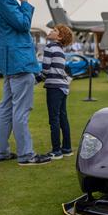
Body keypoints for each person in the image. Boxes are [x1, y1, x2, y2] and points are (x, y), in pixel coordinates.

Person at [0, 0, 51, 166]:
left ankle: (0, 152)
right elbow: (23, 24)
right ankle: (26, 155)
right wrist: (24, 1)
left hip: (9, 61)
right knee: (21, 110)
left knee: (6, 108)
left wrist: (6, 46)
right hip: (19, 61)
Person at [41, 25, 74, 160]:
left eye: (54, 30)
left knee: (54, 119)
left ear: (59, 37)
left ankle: (56, 151)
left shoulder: (50, 47)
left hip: (54, 87)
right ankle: (67, 148)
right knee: (62, 118)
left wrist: (34, 80)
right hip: (63, 87)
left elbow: (46, 70)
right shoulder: (60, 50)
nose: (51, 31)